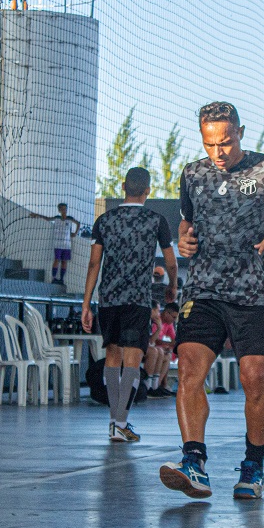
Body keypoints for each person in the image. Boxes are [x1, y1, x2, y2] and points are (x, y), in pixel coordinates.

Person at [159, 101, 264, 500]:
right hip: (204, 287)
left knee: (254, 376)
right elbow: (187, 220)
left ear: (240, 133)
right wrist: (184, 238)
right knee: (189, 368)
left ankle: (253, 466)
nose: (218, 151)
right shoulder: (192, 174)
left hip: (255, 289)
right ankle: (194, 463)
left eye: (226, 142)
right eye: (210, 143)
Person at [82, 167, 177, 442]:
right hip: (137, 300)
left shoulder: (104, 220)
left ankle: (115, 422)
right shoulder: (156, 220)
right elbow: (171, 262)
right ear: (147, 190)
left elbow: (94, 263)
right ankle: (120, 422)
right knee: (133, 360)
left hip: (108, 299)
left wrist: (86, 303)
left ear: (123, 187)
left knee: (112, 357)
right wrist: (172, 285)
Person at [30, 203, 80, 285]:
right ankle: (53, 278)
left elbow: (78, 223)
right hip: (58, 244)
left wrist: (75, 233)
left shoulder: (70, 219)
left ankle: (61, 279)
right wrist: (37, 215)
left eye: (65, 209)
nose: (64, 211)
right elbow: (47, 218)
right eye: (62, 209)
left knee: (64, 261)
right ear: (59, 210)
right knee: (57, 259)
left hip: (67, 245)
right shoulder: (57, 218)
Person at [148, 302, 180, 397]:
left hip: (157, 348)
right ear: (166, 313)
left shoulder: (169, 324)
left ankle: (158, 385)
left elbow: (174, 340)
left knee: (168, 354)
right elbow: (153, 340)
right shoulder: (156, 321)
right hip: (151, 348)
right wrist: (167, 344)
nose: (174, 320)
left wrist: (171, 346)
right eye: (173, 317)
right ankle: (152, 385)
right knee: (160, 352)